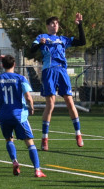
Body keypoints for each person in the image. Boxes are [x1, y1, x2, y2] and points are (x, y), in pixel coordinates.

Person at [30, 13, 86, 151]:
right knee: (50, 104)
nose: (55, 25)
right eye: (52, 23)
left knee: (69, 101)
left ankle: (78, 134)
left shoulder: (63, 39)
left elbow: (82, 41)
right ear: (48, 26)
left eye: (57, 23)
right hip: (49, 71)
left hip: (62, 71)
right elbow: (31, 50)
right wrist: (39, 45)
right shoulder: (42, 37)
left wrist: (80, 25)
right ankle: (44, 138)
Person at [0, 55, 45, 178]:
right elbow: (28, 96)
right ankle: (37, 170)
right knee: (30, 142)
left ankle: (14, 160)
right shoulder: (21, 78)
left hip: (4, 116)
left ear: (2, 65)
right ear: (14, 64)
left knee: (9, 139)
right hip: (19, 116)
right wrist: (31, 107)